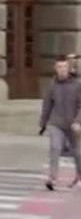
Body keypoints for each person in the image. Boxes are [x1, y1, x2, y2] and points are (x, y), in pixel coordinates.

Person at [38, 57, 81, 190]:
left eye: (64, 67)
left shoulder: (77, 85)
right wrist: (43, 123)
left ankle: (79, 175)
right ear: (55, 69)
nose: (62, 70)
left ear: (69, 68)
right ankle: (52, 178)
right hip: (56, 123)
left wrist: (78, 121)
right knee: (55, 148)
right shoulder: (52, 86)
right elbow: (47, 105)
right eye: (59, 67)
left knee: (77, 152)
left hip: (73, 124)